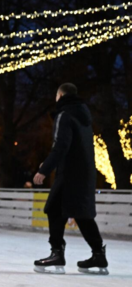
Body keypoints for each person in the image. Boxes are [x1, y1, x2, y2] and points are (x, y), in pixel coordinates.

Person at [33, 83, 108, 275]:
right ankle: (98, 253)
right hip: (85, 173)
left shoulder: (64, 115)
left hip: (69, 174)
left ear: (59, 95)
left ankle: (57, 252)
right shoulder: (84, 116)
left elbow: (61, 145)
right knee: (82, 214)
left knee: (53, 209)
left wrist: (45, 169)